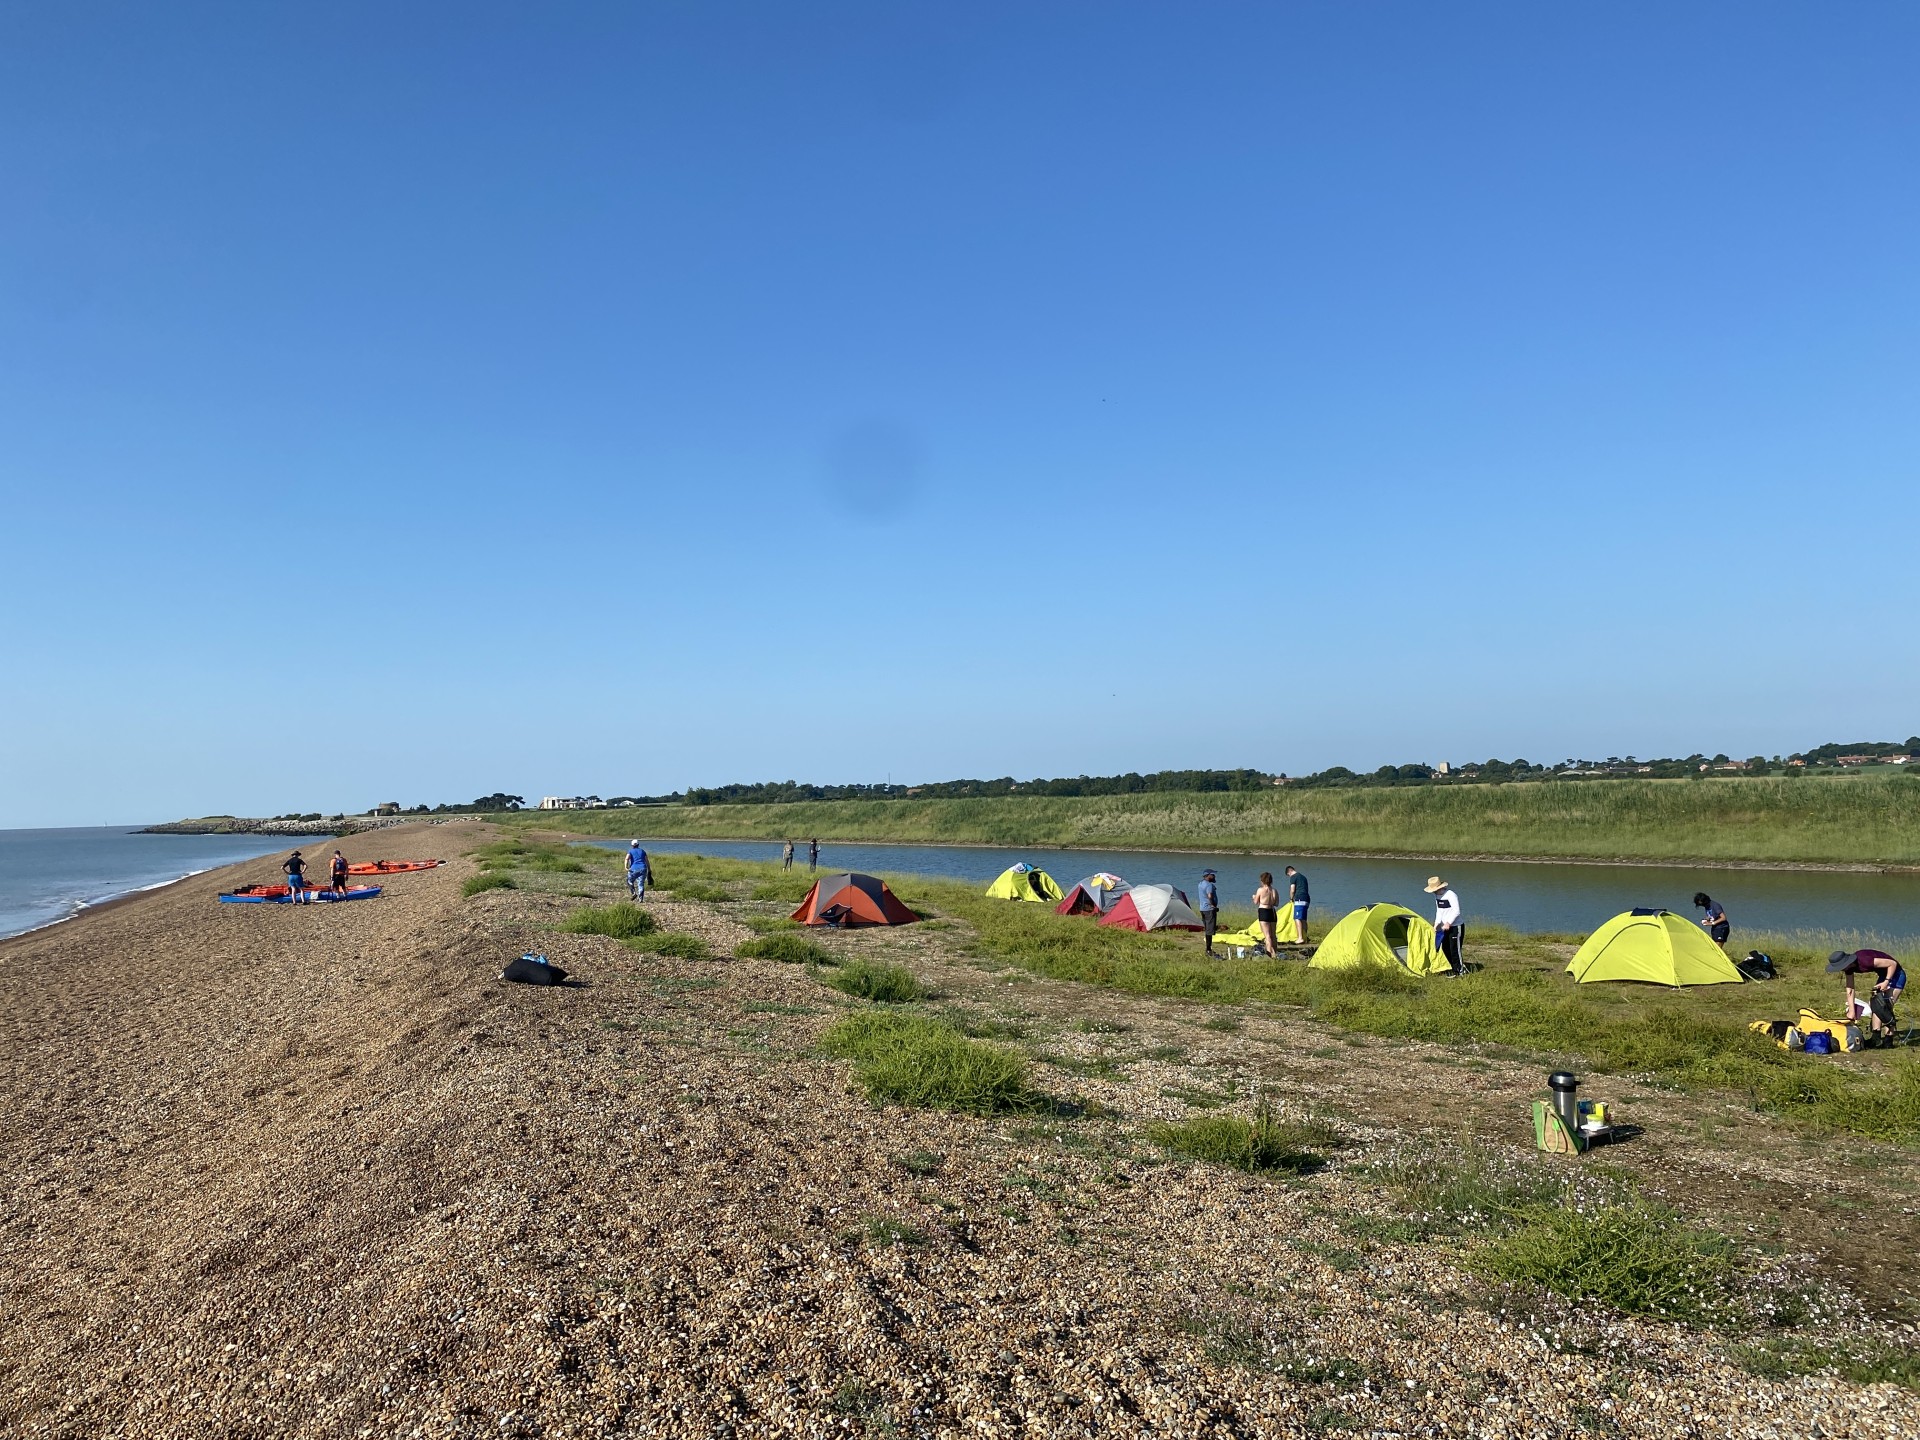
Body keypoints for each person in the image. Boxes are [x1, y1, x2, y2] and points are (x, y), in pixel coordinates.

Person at [1829, 949, 1906, 1048]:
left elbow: (1892, 964)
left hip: (1896, 975)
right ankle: (1876, 1038)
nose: (1842, 969)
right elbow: (1850, 989)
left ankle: (1888, 1041)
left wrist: (1886, 982)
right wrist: (1851, 1011)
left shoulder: (1864, 960)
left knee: (1885, 1007)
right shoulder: (1848, 968)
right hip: (1884, 975)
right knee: (1875, 1002)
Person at [1425, 875, 1464, 974]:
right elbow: (1439, 911)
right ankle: (1452, 968)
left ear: (1440, 887)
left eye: (1434, 889)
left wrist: (1448, 923)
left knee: (1454, 949)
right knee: (1445, 948)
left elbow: (1456, 911)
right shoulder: (1437, 896)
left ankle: (1460, 971)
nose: (1434, 892)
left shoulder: (1451, 895)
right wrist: (1437, 923)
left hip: (1456, 927)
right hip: (1443, 928)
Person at [1252, 872, 1281, 959]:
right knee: (1273, 935)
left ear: (1262, 880)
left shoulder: (1260, 890)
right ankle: (1274, 952)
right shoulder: (1274, 890)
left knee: (1267, 936)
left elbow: (1256, 902)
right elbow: (1276, 903)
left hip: (1263, 911)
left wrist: (1254, 897)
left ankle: (1270, 954)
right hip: (1272, 911)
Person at [1196, 869, 1220, 957]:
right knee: (1210, 930)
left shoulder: (1200, 884)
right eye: (1213, 875)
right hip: (1209, 909)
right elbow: (1210, 896)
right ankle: (1208, 950)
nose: (1214, 876)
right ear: (1208, 876)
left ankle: (1208, 948)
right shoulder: (1209, 885)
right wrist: (1214, 906)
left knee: (1207, 929)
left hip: (1202, 909)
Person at [1284, 865, 1310, 944]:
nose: (1289, 876)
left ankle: (1300, 938)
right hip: (1307, 899)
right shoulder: (1303, 877)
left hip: (1299, 898)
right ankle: (1305, 937)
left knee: (1297, 918)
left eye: (1288, 875)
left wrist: (1291, 898)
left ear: (1289, 871)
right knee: (1303, 919)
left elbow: (1292, 890)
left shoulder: (1293, 877)